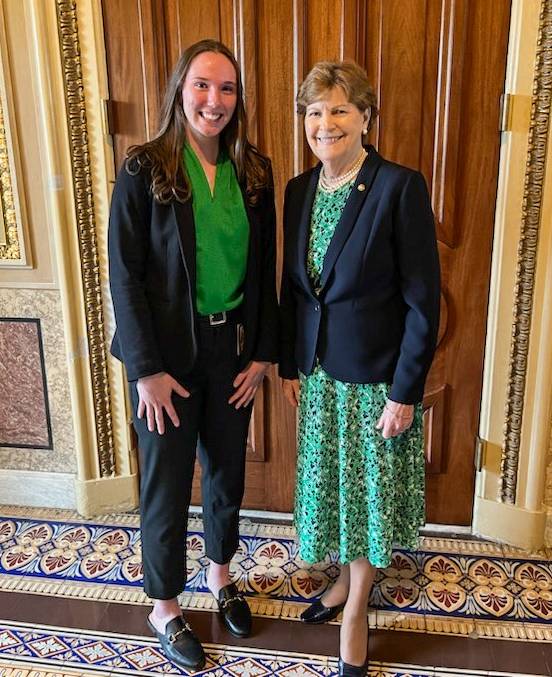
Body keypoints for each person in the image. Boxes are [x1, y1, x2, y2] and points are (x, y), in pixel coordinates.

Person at [108, 39, 278, 671]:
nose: (215, 100)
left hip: (230, 351)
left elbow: (265, 273)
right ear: (180, 90)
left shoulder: (253, 171)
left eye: (227, 89)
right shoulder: (144, 168)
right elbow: (123, 277)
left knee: (227, 474)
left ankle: (221, 575)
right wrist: (146, 371)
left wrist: (262, 355)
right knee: (168, 483)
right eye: (203, 86)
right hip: (165, 360)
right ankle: (165, 607)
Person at [279, 61, 440, 677]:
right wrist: (295, 365)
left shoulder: (399, 187)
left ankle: (356, 608)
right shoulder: (299, 192)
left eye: (341, 110)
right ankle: (344, 582)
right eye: (315, 113)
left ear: (367, 117)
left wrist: (405, 392)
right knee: (337, 495)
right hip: (319, 380)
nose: (326, 124)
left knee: (367, 501)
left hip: (375, 382)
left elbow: (422, 302)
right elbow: (297, 292)